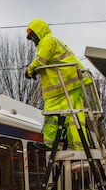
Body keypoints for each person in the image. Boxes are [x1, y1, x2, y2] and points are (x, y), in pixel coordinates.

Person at [24, 18, 94, 149]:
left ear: (39, 32)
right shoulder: (52, 41)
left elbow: (41, 60)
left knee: (52, 112)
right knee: (74, 118)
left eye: (32, 36)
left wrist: (29, 70)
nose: (33, 40)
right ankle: (79, 147)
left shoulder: (47, 41)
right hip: (73, 83)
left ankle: (51, 144)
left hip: (66, 85)